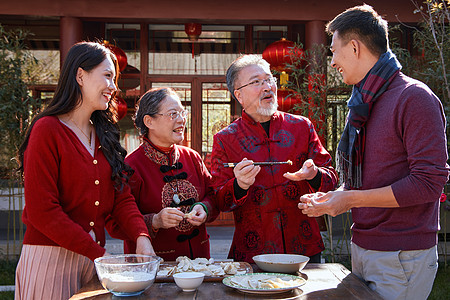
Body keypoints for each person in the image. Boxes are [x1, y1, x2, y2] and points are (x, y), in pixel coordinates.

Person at [298, 5, 449, 300]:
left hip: (401, 255)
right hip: (365, 248)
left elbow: (429, 184)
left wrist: (351, 198)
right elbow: (369, 179)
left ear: (354, 48)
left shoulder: (413, 98)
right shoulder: (363, 102)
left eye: (334, 51)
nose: (333, 62)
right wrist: (335, 198)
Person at [14, 42, 154, 300]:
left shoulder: (104, 134)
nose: (114, 87)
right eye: (108, 76)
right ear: (80, 75)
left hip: (92, 262)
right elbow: (42, 211)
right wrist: (99, 254)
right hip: (50, 261)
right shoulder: (47, 130)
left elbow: (121, 197)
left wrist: (141, 235)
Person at [210, 54, 338, 264]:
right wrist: (240, 185)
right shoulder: (225, 139)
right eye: (256, 82)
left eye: (269, 79)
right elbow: (219, 200)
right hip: (254, 248)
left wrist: (314, 174)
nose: (267, 86)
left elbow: (331, 178)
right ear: (239, 95)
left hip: (304, 243)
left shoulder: (301, 127)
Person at [107, 87, 218, 261]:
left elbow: (213, 195)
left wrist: (203, 208)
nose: (182, 120)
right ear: (149, 121)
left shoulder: (192, 157)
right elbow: (115, 224)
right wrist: (156, 221)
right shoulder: (131, 166)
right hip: (153, 266)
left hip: (199, 263)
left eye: (183, 113)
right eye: (173, 114)